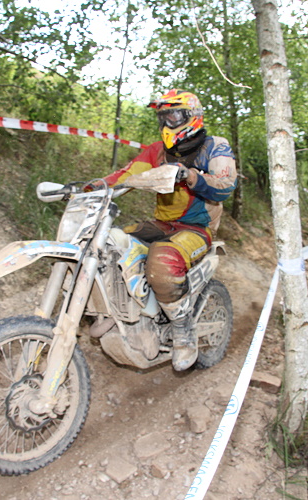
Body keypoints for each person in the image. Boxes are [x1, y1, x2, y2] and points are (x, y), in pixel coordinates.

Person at [86, 89, 237, 371]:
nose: (168, 121)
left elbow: (225, 185)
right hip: (161, 224)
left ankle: (183, 331)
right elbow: (124, 175)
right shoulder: (157, 151)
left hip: (197, 228)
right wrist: (92, 186)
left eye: (174, 115)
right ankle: (118, 307)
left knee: (163, 259)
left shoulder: (214, 146)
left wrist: (190, 175)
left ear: (192, 116)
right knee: (109, 242)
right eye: (164, 116)